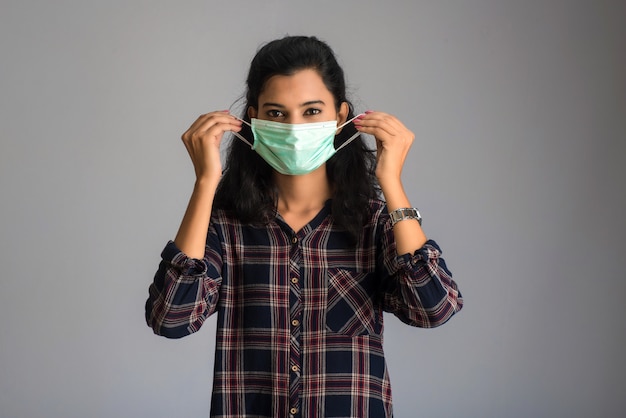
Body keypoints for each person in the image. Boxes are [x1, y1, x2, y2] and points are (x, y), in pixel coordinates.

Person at [146, 35, 463, 417]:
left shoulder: (375, 222)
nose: (295, 127)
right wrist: (205, 184)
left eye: (312, 111)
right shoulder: (225, 226)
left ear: (341, 116)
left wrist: (392, 183)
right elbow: (170, 318)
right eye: (277, 114)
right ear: (254, 119)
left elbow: (434, 308)